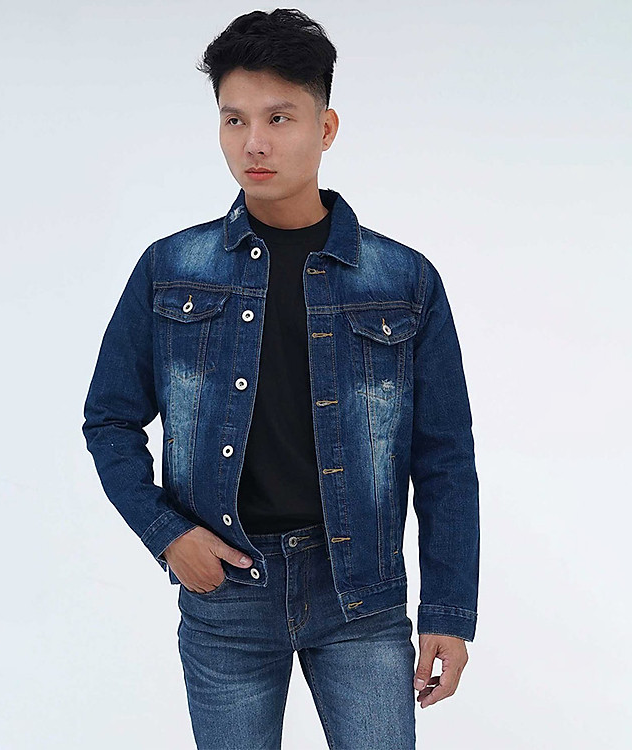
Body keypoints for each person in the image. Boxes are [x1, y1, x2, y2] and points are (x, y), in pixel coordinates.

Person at [82, 8, 480, 749]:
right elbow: (109, 419)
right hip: (227, 595)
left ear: (326, 128)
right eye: (234, 119)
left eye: (278, 117)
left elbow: (445, 458)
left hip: (361, 596)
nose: (254, 143)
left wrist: (449, 612)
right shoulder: (172, 269)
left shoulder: (403, 280)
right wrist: (169, 535)